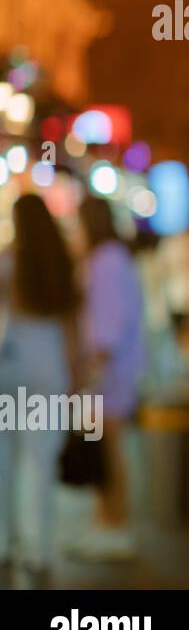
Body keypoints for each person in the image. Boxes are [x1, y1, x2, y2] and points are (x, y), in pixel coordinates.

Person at [0, 194, 80, 589]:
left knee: (6, 462)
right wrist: (77, 375)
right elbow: (72, 327)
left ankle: (6, 542)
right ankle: (41, 548)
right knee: (41, 462)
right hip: (50, 364)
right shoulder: (61, 263)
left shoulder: (10, 262)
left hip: (11, 364)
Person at [71, 196, 147, 561]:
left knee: (108, 450)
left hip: (110, 375)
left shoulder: (106, 263)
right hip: (113, 371)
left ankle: (115, 525)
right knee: (106, 449)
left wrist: (90, 372)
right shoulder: (111, 260)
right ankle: (107, 523)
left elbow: (107, 328)